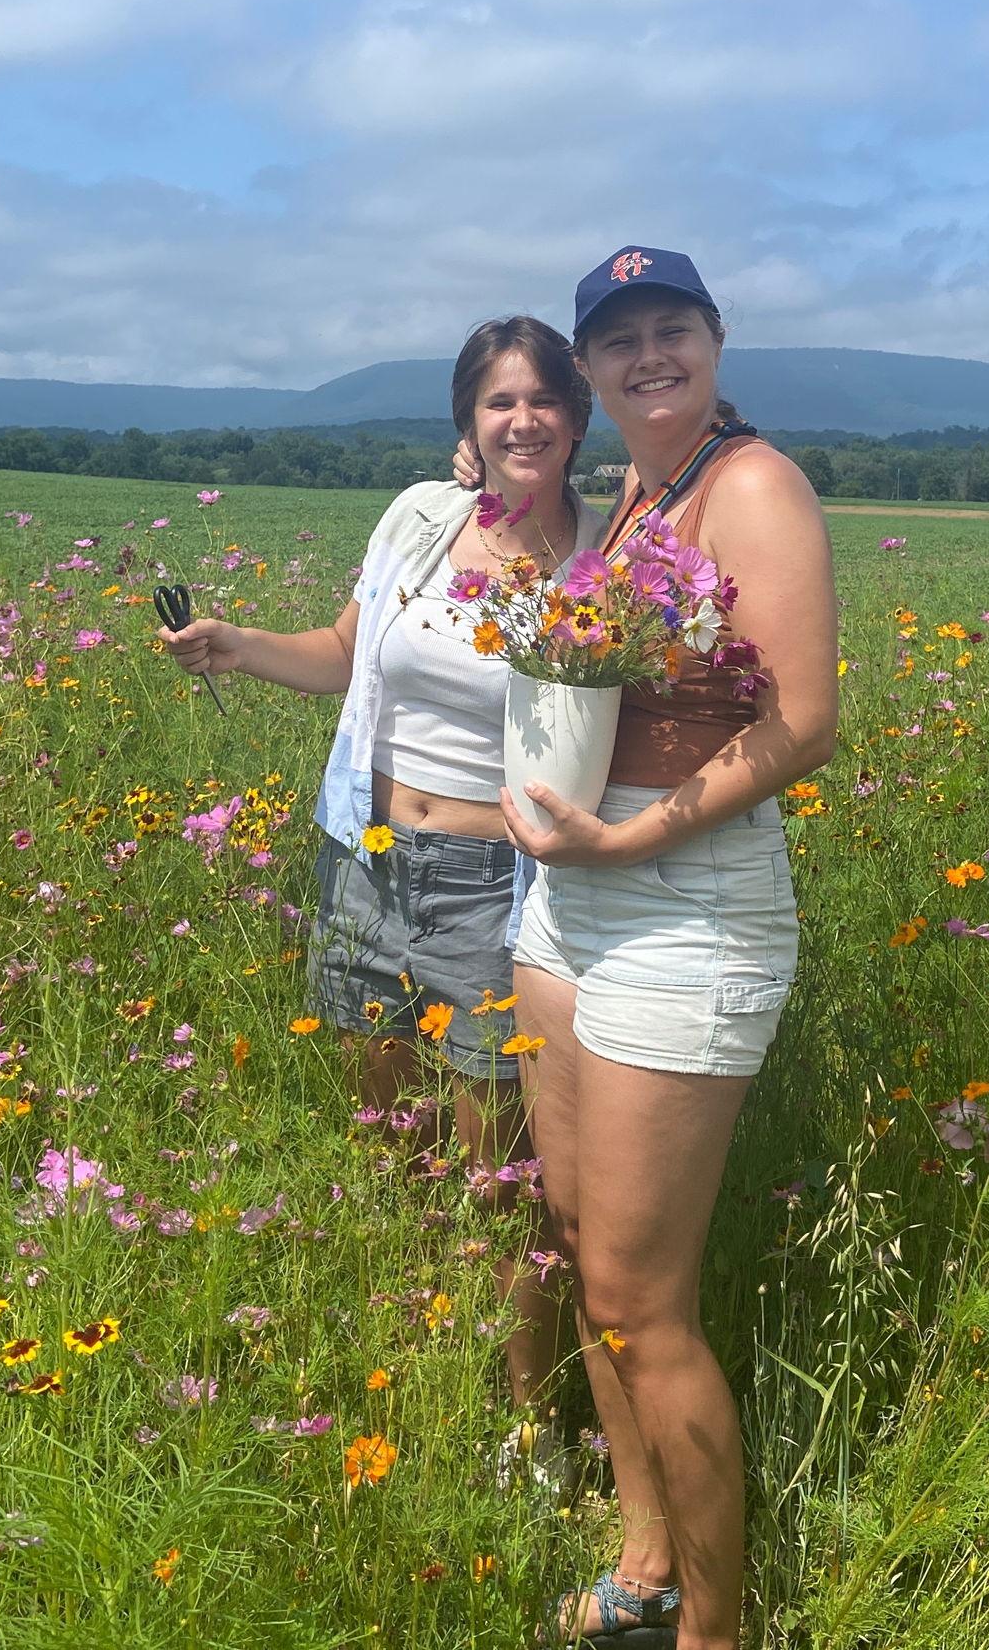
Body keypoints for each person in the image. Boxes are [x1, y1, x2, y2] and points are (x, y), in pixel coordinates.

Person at [159, 316, 607, 1445]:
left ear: (577, 417)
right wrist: (236, 643)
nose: (521, 421)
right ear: (466, 417)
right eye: (498, 401)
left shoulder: (604, 561)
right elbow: (344, 652)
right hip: (362, 858)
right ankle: (415, 1371)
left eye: (543, 401)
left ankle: (524, 1432)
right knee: (390, 1138)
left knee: (500, 1174)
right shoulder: (417, 516)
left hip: (491, 884)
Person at [485, 249, 837, 1649]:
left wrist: (632, 842)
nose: (647, 355)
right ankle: (645, 1556)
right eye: (619, 339)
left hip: (682, 897)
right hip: (573, 895)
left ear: (714, 337)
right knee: (579, 1248)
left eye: (670, 329)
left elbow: (801, 720)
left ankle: (718, 1629)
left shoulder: (752, 484)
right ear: (592, 368)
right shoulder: (636, 494)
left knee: (644, 1292)